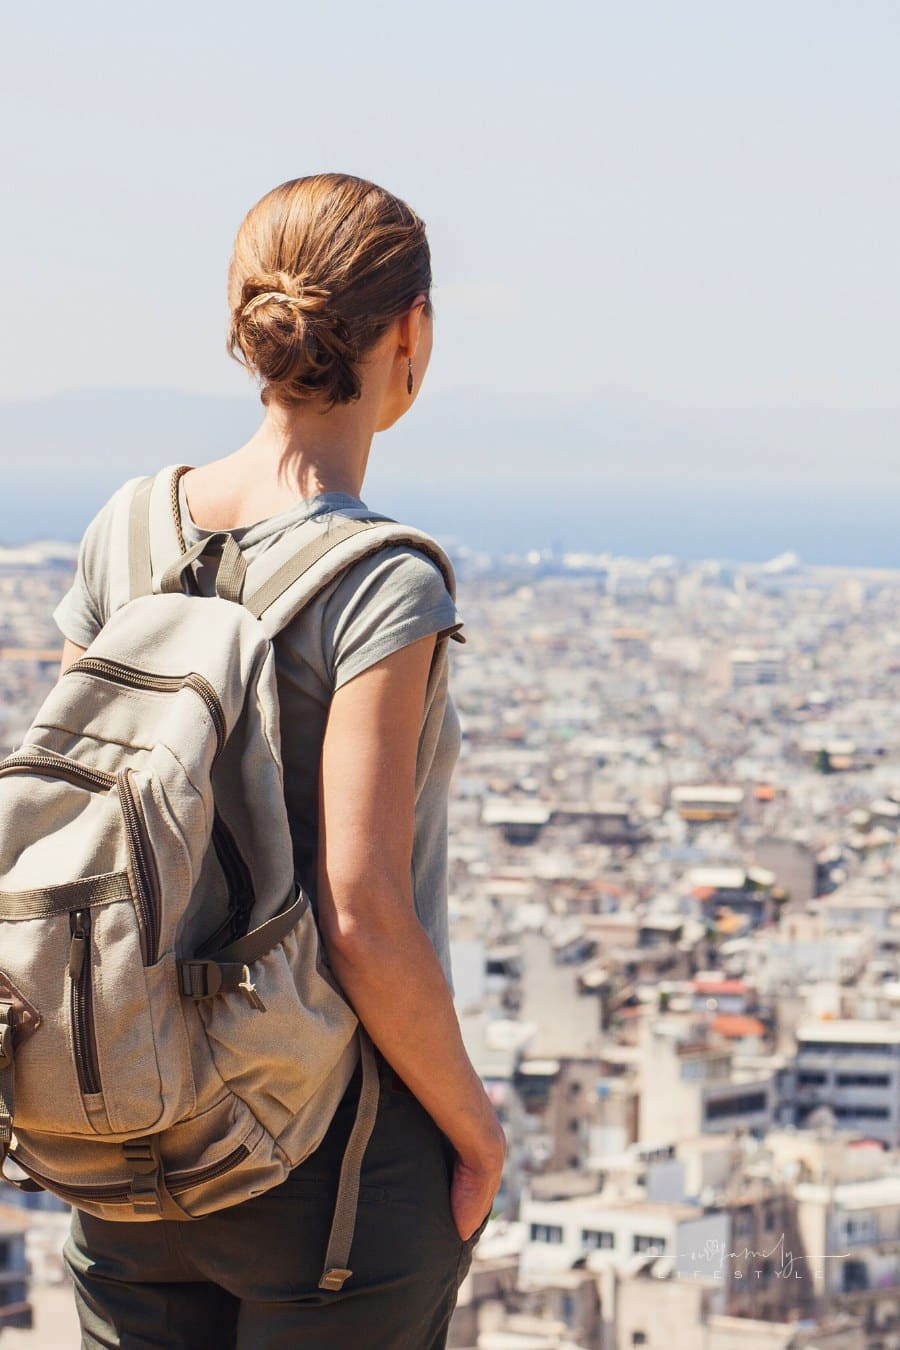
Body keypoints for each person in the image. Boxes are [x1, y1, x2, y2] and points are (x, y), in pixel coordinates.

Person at [51, 172, 506, 1348]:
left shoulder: (128, 526)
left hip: (126, 1121)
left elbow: (62, 824)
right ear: (410, 333)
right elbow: (361, 914)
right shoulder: (384, 582)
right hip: (329, 1164)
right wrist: (476, 1128)